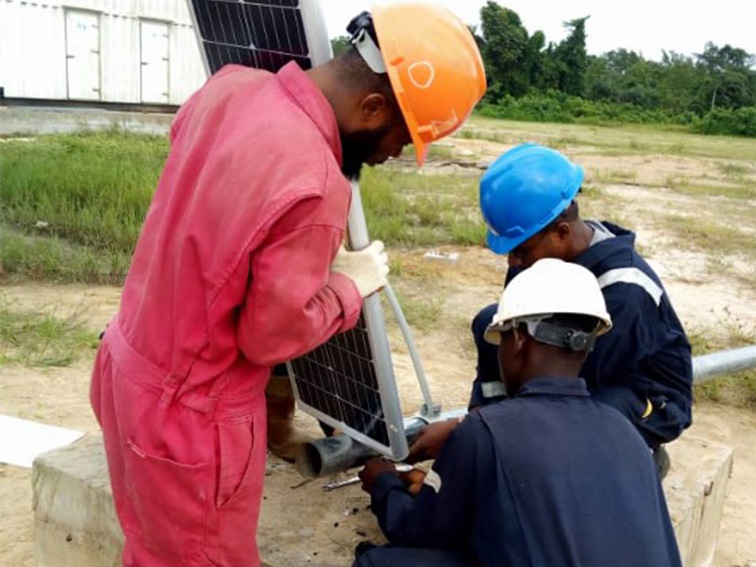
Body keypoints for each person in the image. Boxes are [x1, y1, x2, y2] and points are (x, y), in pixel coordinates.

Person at [89, 5, 486, 566]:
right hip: (192, 420)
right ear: (372, 105)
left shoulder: (229, 89)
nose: (392, 155)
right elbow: (268, 338)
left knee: (152, 548)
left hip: (127, 370)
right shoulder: (318, 180)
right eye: (400, 139)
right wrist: (350, 288)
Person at [356, 259, 684, 567]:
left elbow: (421, 532)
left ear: (518, 339)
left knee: (377, 562)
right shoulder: (625, 428)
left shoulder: (483, 431)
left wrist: (383, 483)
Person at [412, 144, 692, 476]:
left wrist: (468, 432)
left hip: (636, 392)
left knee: (601, 414)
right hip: (573, 373)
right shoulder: (534, 260)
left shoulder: (623, 290)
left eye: (520, 250)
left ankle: (639, 456)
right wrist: (477, 422)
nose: (513, 261)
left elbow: (572, 386)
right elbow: (524, 346)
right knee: (494, 324)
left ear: (561, 233)